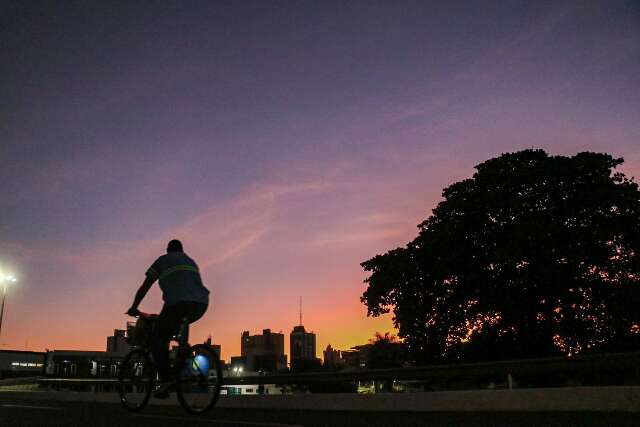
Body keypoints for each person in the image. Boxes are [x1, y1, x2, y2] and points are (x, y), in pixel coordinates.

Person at [127, 239, 209, 398]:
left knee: (158, 338)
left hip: (177, 303)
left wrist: (134, 306)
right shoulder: (190, 261)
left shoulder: (163, 260)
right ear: (181, 250)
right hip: (200, 304)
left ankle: (166, 380)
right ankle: (183, 355)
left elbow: (146, 285)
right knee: (178, 329)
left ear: (168, 250)